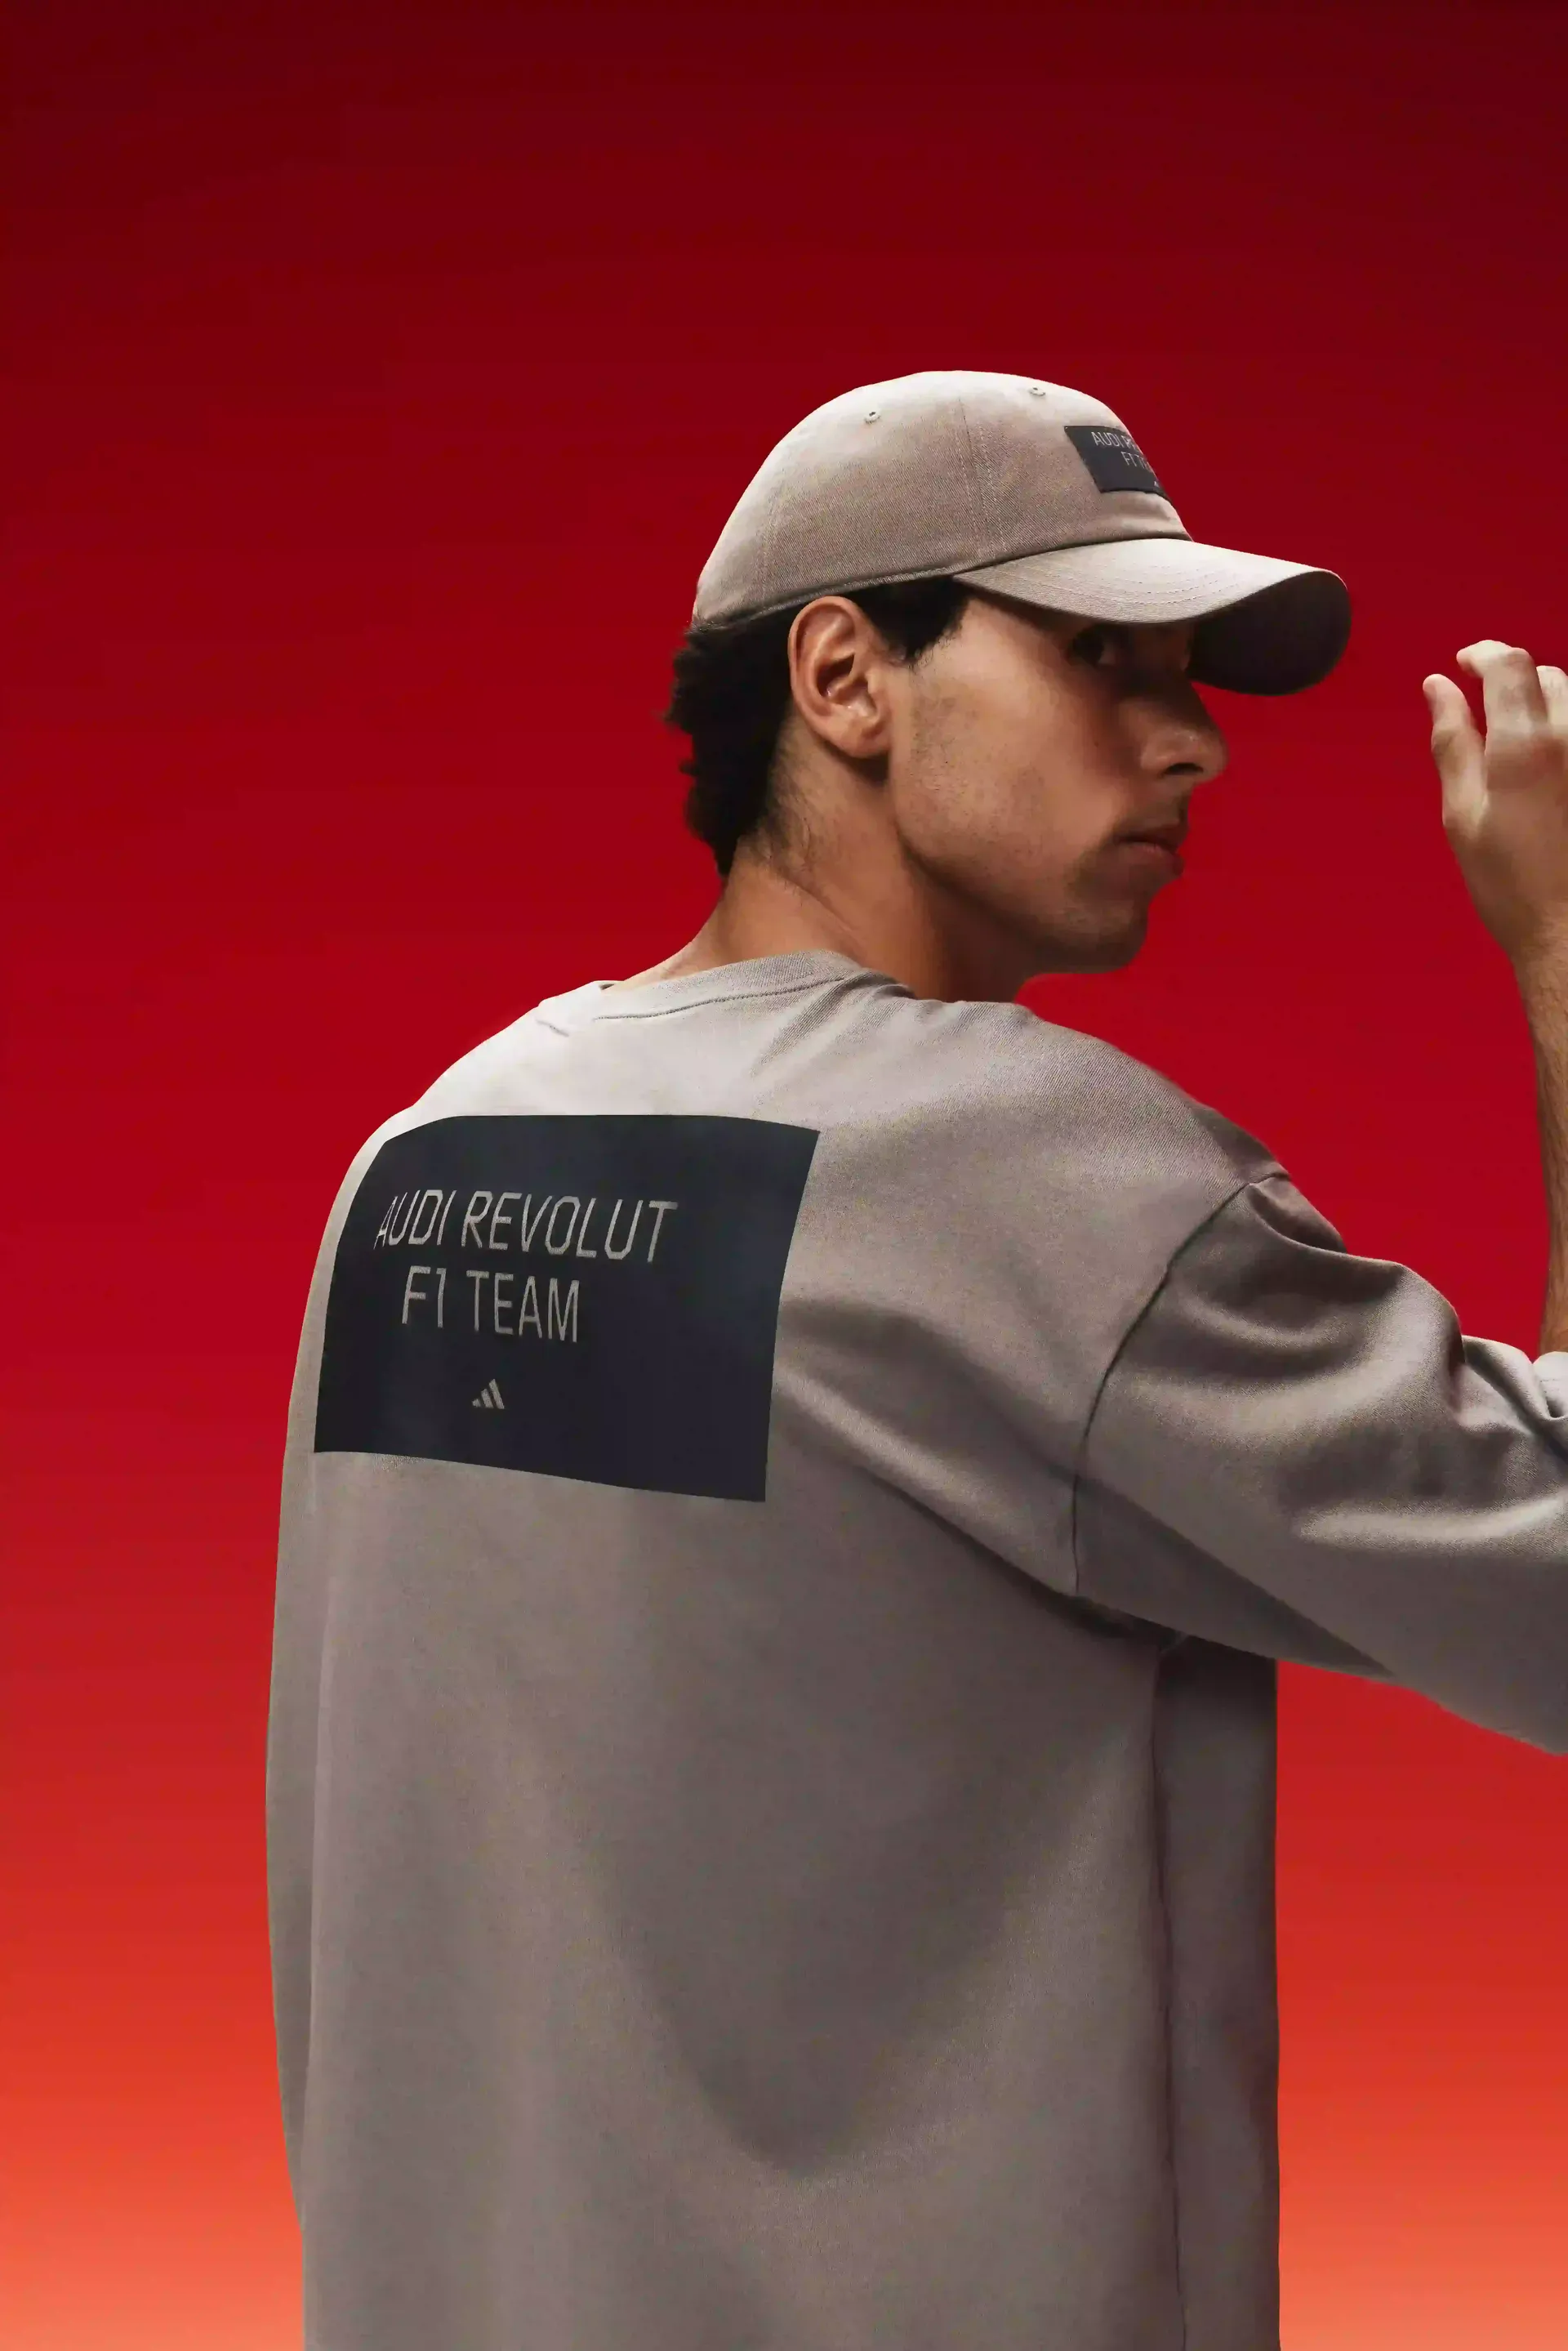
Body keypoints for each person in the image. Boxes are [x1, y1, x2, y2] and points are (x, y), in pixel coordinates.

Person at [266, 371, 1568, 2351]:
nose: (1196, 739)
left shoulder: (426, 1158)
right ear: (845, 677)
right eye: (1102, 657)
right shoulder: (1030, 1171)